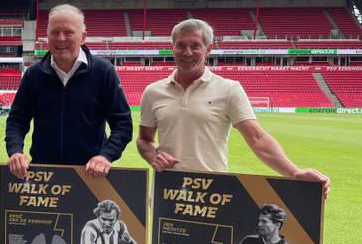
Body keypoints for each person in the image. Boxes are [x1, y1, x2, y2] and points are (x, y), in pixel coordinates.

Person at [137, 18, 330, 197]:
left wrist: (294, 172)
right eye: (181, 46)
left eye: (195, 46)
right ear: (173, 48)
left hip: (213, 192)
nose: (187, 52)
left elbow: (257, 138)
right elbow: (144, 140)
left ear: (208, 49)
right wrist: (154, 156)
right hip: (169, 190)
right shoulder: (153, 92)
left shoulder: (229, 89)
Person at [5, 4, 132, 179]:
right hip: (44, 175)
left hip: (90, 176)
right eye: (54, 32)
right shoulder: (34, 74)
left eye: (68, 32)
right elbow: (17, 121)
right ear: (47, 36)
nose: (60, 38)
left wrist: (105, 156)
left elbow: (122, 124)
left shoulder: (103, 71)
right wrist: (15, 151)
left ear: (83, 37)